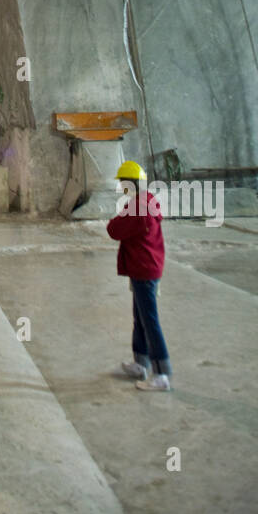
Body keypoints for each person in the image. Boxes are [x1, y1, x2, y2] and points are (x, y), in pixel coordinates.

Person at [106, 161, 172, 391]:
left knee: (150, 321)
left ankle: (161, 374)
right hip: (145, 268)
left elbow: (114, 229)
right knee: (141, 318)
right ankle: (141, 363)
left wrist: (118, 218)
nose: (121, 187)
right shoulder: (146, 201)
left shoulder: (137, 207)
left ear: (131, 183)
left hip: (144, 270)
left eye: (123, 183)